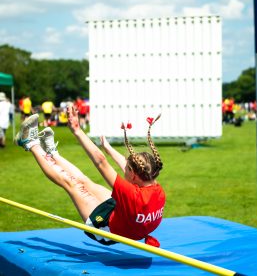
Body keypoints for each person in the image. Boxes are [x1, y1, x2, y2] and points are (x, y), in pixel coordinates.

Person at [14, 106, 165, 247]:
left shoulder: (132, 195)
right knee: (86, 182)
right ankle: (53, 153)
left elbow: (100, 162)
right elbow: (131, 165)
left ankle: (30, 142)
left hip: (107, 231)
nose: (123, 168)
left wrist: (77, 130)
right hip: (126, 218)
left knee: (73, 185)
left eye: (126, 168)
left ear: (133, 175)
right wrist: (108, 148)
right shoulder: (156, 188)